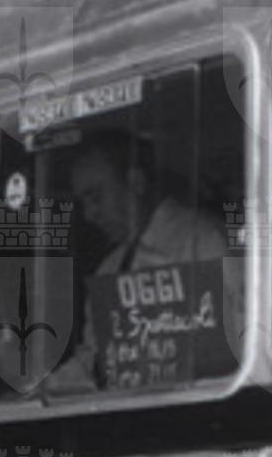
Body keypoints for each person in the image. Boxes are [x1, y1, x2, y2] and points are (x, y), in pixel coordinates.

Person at [45, 129, 231, 390]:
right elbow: (95, 361)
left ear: (136, 183)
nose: (89, 214)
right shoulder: (109, 269)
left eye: (96, 197)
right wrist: (40, 395)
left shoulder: (205, 242)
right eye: (83, 203)